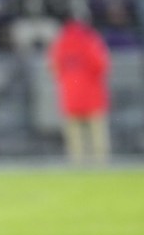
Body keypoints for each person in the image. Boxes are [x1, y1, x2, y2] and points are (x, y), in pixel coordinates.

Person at [48, 17, 111, 165]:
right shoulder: (91, 41)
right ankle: (100, 163)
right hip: (92, 93)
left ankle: (77, 162)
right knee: (96, 131)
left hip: (70, 94)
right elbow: (101, 65)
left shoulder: (60, 44)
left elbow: (54, 68)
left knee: (74, 133)